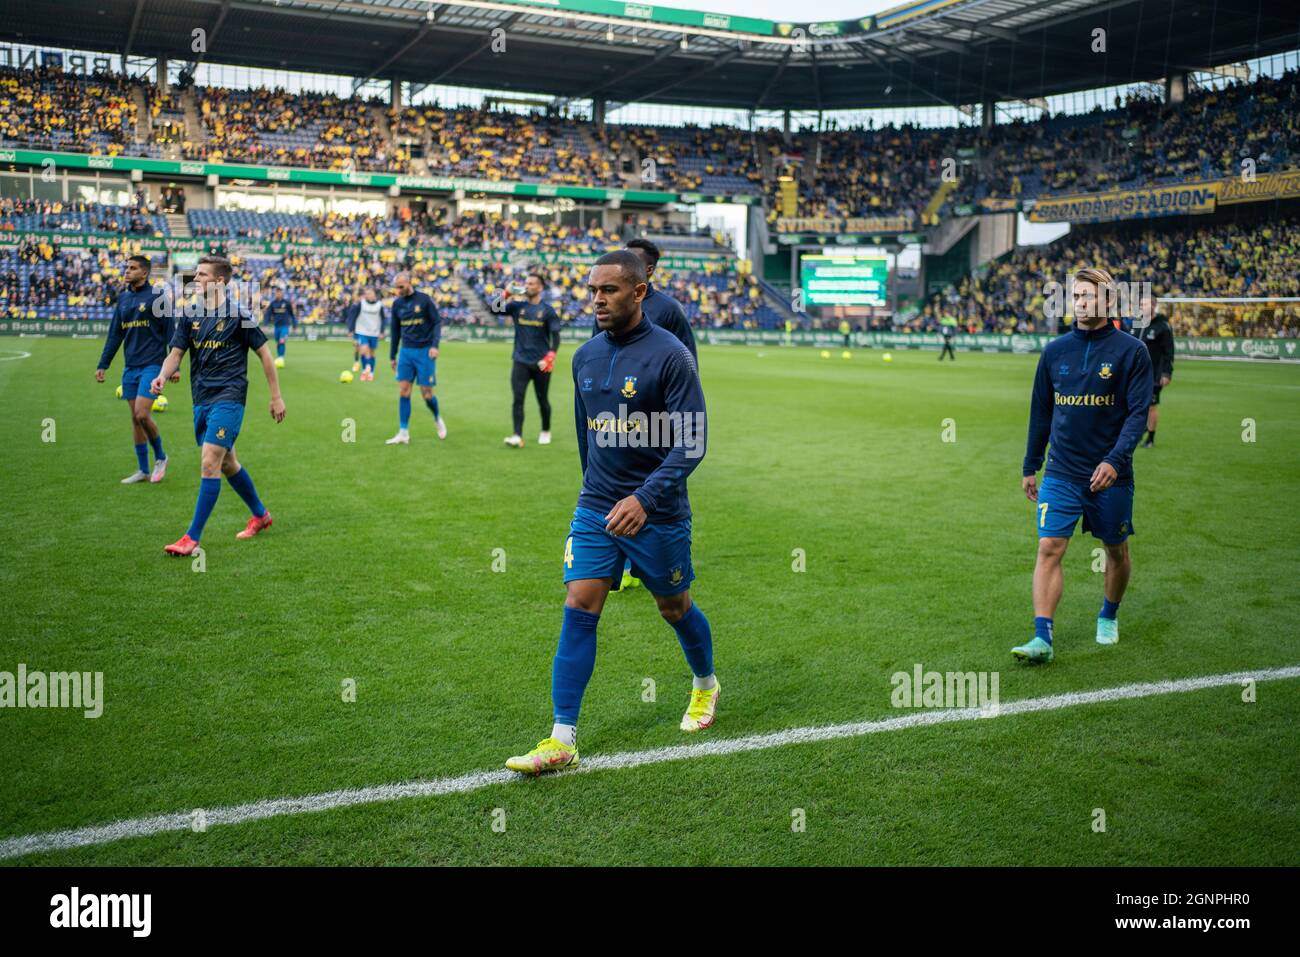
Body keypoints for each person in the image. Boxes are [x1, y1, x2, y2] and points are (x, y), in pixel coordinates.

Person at [505, 251, 713, 775]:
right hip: (598, 507)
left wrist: (644, 498)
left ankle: (705, 684)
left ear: (639, 292)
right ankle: (561, 738)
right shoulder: (584, 357)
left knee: (674, 607)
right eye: (593, 290)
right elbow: (586, 435)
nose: (597, 299)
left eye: (610, 290)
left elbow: (692, 442)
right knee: (579, 604)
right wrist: (594, 496)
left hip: (658, 511)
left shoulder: (671, 357)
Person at [1015, 267, 1152, 663]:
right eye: (1075, 296)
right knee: (1048, 547)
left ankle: (1108, 614)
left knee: (1115, 550)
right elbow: (1040, 412)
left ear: (1108, 301)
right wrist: (1030, 464)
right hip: (1061, 470)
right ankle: (1042, 637)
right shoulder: (1054, 351)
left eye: (1088, 296)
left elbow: (1138, 413)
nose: (1079, 303)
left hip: (1110, 475)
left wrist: (1115, 459)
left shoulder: (1132, 351)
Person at [150, 255, 286, 556]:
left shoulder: (239, 315)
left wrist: (276, 396)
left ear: (219, 281)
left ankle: (191, 538)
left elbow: (265, 355)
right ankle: (261, 515)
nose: (195, 280)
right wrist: (162, 375)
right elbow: (176, 353)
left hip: (230, 396)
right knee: (227, 463)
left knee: (210, 461)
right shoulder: (189, 313)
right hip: (202, 398)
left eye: (201, 275)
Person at [94, 254, 175, 484]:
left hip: (153, 365)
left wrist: (173, 366)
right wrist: (103, 364)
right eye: (126, 267)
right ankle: (143, 470)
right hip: (130, 366)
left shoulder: (158, 296)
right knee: (135, 419)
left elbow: (170, 329)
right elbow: (115, 334)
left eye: (132, 268)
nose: (127, 271)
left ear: (145, 273)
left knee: (142, 413)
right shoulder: (124, 299)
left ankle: (161, 457)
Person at [501, 272, 561, 447]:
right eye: (526, 283)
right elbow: (493, 308)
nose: (527, 286)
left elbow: (555, 337)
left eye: (532, 283)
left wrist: (550, 356)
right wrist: (505, 293)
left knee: (542, 399)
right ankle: (517, 435)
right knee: (518, 399)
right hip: (520, 361)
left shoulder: (548, 311)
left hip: (541, 363)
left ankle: (545, 430)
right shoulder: (517, 306)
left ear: (540, 287)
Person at [385, 271, 445, 445]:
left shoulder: (424, 300)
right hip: (406, 352)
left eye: (401, 287)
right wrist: (392, 355)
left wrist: (435, 345)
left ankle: (437, 417)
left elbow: (436, 322)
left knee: (427, 394)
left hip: (425, 351)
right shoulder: (397, 304)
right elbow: (395, 331)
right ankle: (403, 432)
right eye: (396, 287)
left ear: (409, 283)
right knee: (404, 390)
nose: (398, 290)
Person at [1138, 294, 1174, 448]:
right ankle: (1140, 430)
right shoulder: (1137, 322)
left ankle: (1150, 439)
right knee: (1134, 405)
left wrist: (1166, 373)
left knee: (1151, 406)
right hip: (1135, 373)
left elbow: (1169, 352)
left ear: (1153, 306)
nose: (1142, 307)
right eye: (1141, 304)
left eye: (1145, 304)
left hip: (1153, 374)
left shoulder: (1162, 326)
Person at [353, 287, 386, 382]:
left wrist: (382, 332)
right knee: (364, 350)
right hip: (362, 331)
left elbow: (383, 319)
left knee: (372, 353)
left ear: (374, 295)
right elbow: (354, 315)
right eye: (367, 294)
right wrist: (352, 329)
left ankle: (370, 373)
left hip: (374, 332)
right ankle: (366, 369)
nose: (368, 295)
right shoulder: (361, 303)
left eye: (370, 293)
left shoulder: (379, 305)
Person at [265, 283, 295, 365]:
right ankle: (279, 357)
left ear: (282, 293)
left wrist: (295, 324)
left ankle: (281, 358)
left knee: (282, 341)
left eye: (279, 292)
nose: (278, 294)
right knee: (278, 342)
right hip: (276, 326)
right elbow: (268, 313)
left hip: (285, 326)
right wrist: (266, 323)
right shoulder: (273, 303)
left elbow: (292, 314)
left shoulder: (287, 303)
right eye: (277, 292)